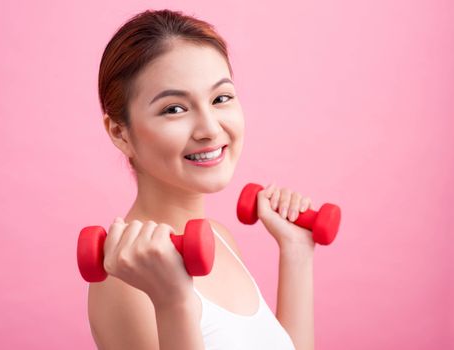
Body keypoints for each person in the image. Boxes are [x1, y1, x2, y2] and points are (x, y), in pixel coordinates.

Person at [89, 8, 316, 350]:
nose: (210, 128)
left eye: (220, 98)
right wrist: (174, 304)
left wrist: (297, 253)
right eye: (174, 109)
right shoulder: (123, 277)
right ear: (120, 132)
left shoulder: (219, 239)